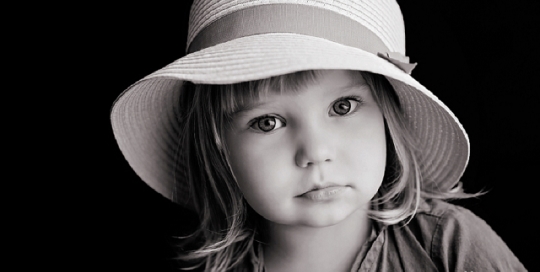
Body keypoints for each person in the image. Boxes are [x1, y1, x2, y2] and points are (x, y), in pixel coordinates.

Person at [110, 0, 527, 271]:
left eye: (342, 107)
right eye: (267, 122)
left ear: (388, 118)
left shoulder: (450, 246)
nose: (316, 152)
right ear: (219, 149)